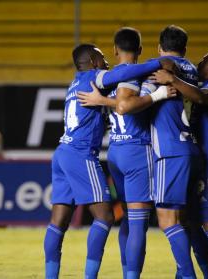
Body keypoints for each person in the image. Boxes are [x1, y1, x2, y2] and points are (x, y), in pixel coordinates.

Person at [44, 43, 174, 279]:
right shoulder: (94, 77)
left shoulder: (74, 84)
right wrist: (157, 63)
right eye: (102, 58)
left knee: (58, 221)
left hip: (62, 152)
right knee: (105, 217)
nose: (106, 62)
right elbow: (123, 72)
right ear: (93, 61)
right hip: (80, 153)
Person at [154, 46, 208, 279]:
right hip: (194, 160)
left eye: (203, 60)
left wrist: (172, 78)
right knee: (191, 224)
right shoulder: (198, 86)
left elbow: (202, 98)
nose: (199, 63)